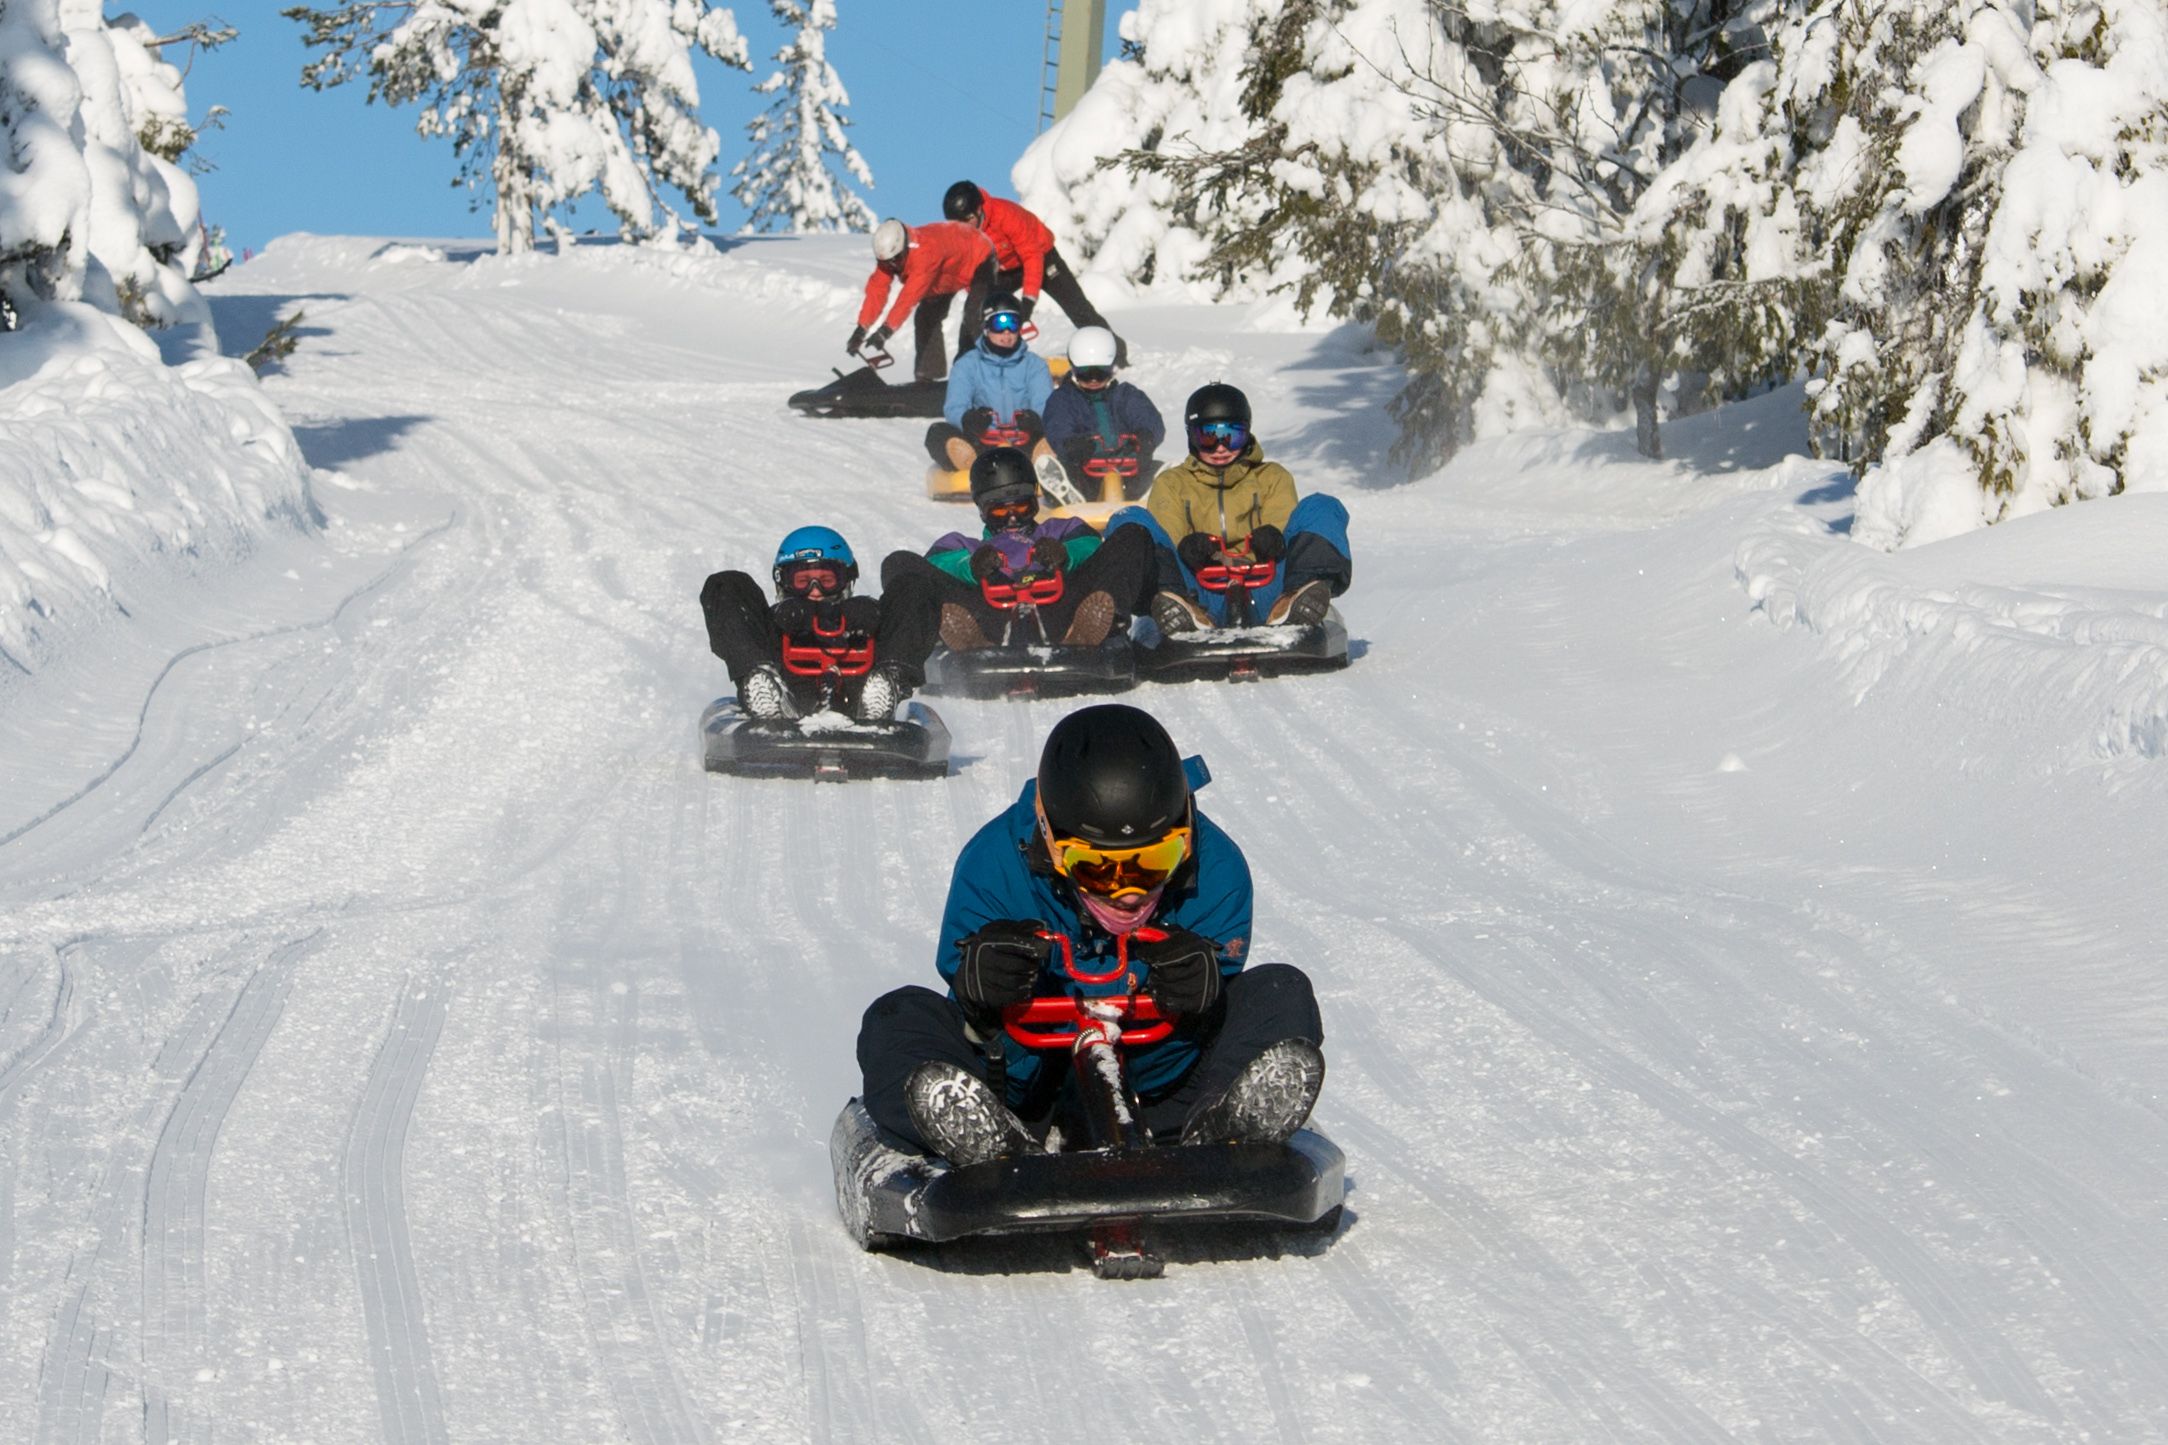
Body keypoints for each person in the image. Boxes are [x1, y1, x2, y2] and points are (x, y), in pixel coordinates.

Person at [855, 703, 1326, 1165]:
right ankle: (985, 1144)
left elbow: (1223, 1004)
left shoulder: (1219, 869)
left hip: (1160, 1089)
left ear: (1183, 839)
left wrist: (1202, 997)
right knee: (897, 1016)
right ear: (1053, 842)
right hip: (1021, 1094)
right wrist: (982, 997)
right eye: (1097, 868)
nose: (1129, 894)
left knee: (1281, 991)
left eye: (1154, 862)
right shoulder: (992, 865)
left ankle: (1224, 1130)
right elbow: (967, 1007)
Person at [1108, 382, 1353, 634]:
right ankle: (1182, 611)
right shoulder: (1172, 483)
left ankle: (1293, 601)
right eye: (1208, 437)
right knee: (1129, 518)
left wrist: (1272, 540)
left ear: (1247, 434)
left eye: (1231, 436)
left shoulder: (1272, 477)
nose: (1220, 448)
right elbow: (1164, 544)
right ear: (1192, 437)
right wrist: (1188, 547)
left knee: (1322, 506)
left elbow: (1287, 532)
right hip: (1198, 589)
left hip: (1265, 585)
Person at [881, 447, 1155, 651]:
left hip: (1064, 609)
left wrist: (1064, 555)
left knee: (1133, 533)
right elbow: (938, 564)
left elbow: (1092, 547)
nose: (1012, 518)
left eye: (1022, 507)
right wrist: (971, 567)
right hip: (987, 615)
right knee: (899, 562)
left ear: (1034, 501)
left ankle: (1091, 632)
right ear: (982, 509)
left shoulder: (1062, 529)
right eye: (1000, 511)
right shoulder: (964, 546)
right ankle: (970, 640)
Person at [699, 526, 939, 724]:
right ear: (783, 582)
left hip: (861, 692)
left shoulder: (864, 615)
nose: (815, 591)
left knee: (914, 586)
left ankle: (889, 683)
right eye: (803, 581)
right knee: (726, 584)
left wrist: (857, 614)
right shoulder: (776, 621)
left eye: (827, 580)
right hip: (787, 686)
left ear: (846, 580)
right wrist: (793, 615)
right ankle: (761, 684)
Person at [941, 180, 1128, 365]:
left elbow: (1032, 256)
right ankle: (964, 367)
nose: (965, 227)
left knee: (1078, 308)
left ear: (978, 209)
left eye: (967, 219)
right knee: (973, 312)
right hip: (1003, 271)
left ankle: (1115, 354)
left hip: (1042, 258)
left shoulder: (1006, 214)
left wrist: (1028, 302)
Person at [847, 218, 997, 383]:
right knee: (925, 317)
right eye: (886, 263)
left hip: (979, 255)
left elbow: (909, 297)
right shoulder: (890, 259)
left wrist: (885, 331)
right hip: (946, 274)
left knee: (974, 316)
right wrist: (861, 330)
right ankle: (927, 378)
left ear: (905, 247)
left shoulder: (926, 252)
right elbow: (877, 291)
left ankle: (993, 371)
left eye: (895, 261)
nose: (892, 267)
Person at [922, 294, 1054, 473]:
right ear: (986, 327)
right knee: (937, 432)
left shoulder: (1035, 365)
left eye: (1013, 324)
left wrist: (1035, 419)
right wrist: (968, 419)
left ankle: (1042, 458)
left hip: (1024, 439)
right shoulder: (967, 365)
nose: (1006, 332)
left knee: (1059, 430)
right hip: (982, 441)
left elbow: (1045, 404)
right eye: (999, 325)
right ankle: (970, 462)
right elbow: (955, 406)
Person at [1040, 326, 1165, 499]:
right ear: (1074, 368)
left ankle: (1152, 492)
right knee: (1068, 471)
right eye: (1085, 374)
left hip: (1127, 467)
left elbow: (1147, 417)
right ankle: (1068, 494)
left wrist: (1146, 436)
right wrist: (1071, 444)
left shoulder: (1125, 395)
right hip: (1085, 467)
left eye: (1100, 373)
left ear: (1111, 368)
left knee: (1154, 469)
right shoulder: (1064, 398)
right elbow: (1057, 425)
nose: (1093, 380)